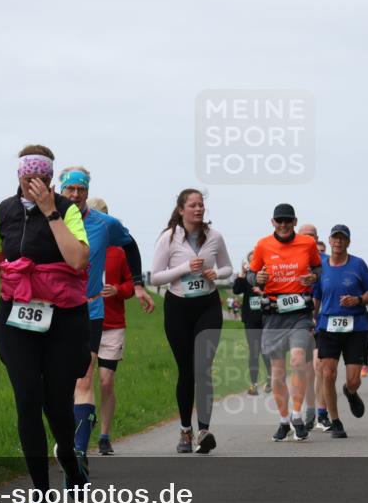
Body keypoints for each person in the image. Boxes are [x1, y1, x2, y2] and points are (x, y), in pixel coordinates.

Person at [0, 144, 91, 503]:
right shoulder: (3, 211)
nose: (33, 185)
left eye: (40, 179)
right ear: (19, 177)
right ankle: (41, 492)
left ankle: (71, 464)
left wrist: (49, 211)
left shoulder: (67, 210)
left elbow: (77, 259)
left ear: (50, 178)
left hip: (62, 318)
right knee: (27, 398)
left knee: (55, 405)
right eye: (27, 179)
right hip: (16, 316)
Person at [59, 167, 155, 473]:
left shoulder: (105, 223)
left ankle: (78, 452)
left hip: (90, 310)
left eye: (80, 190)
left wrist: (137, 284)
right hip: (54, 310)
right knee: (57, 385)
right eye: (69, 190)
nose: (74, 196)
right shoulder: (49, 221)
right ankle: (66, 440)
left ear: (88, 191)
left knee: (85, 379)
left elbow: (130, 244)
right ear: (60, 190)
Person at [150, 189, 233, 454]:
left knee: (203, 368)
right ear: (181, 209)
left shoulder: (215, 236)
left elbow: (228, 268)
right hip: (178, 308)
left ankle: (205, 430)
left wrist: (215, 273)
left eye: (201, 205)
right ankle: (186, 431)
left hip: (207, 306)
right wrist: (185, 269)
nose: (198, 209)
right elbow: (156, 277)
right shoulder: (169, 238)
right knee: (186, 371)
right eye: (193, 205)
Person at [248, 204, 322, 442]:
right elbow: (251, 274)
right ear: (272, 222)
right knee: (278, 372)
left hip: (300, 313)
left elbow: (318, 268)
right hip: (273, 314)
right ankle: (283, 421)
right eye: (279, 221)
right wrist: (256, 277)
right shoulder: (263, 245)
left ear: (294, 221)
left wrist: (313, 277)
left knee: (299, 360)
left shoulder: (307, 244)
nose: (283, 225)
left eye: (287, 221)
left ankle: (297, 415)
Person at [313, 225, 368, 438]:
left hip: (356, 328)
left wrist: (357, 300)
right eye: (335, 238)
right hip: (328, 327)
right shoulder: (321, 267)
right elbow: (317, 297)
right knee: (327, 373)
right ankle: (335, 420)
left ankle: (350, 392)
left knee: (353, 380)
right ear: (329, 241)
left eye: (343, 239)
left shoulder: (358, 265)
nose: (338, 242)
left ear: (348, 242)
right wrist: (312, 320)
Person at [86, 198, 134, 456]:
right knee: (84, 379)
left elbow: (130, 285)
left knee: (106, 382)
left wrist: (118, 289)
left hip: (112, 324)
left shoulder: (118, 252)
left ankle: (104, 435)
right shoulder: (80, 248)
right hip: (86, 322)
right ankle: (85, 421)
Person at [298, 223, 330, 430]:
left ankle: (322, 412)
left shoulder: (326, 262)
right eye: (305, 235)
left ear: (317, 238)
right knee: (304, 367)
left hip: (321, 319)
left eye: (312, 236)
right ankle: (306, 410)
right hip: (297, 318)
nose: (309, 239)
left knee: (321, 367)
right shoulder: (290, 259)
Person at [233, 252, 271, 396]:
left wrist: (262, 292)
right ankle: (253, 384)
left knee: (266, 350)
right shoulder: (246, 277)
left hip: (267, 317)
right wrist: (242, 273)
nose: (253, 262)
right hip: (251, 319)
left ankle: (270, 378)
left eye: (256, 259)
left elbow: (276, 292)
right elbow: (236, 290)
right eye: (251, 260)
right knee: (254, 351)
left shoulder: (267, 274)